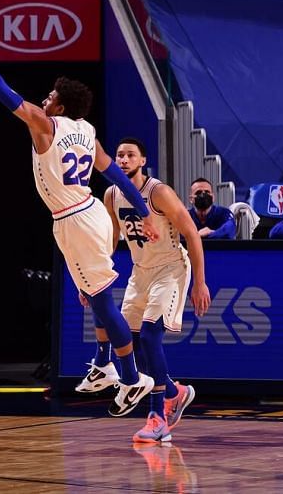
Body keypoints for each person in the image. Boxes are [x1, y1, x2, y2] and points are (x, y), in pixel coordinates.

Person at [0, 20, 158, 417]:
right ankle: (105, 365)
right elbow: (115, 174)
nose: (45, 97)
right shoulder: (87, 131)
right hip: (84, 213)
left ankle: (131, 378)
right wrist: (143, 212)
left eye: (52, 95)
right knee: (93, 297)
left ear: (60, 106)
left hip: (76, 217)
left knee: (105, 304)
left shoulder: (46, 125)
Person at [77, 137, 211, 443]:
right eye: (119, 154)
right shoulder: (112, 194)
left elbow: (192, 233)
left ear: (142, 161)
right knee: (130, 342)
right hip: (141, 272)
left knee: (151, 336)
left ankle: (157, 417)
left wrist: (200, 282)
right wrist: (94, 278)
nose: (123, 159)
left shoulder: (158, 192)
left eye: (130, 155)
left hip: (171, 268)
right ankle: (175, 393)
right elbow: (111, 238)